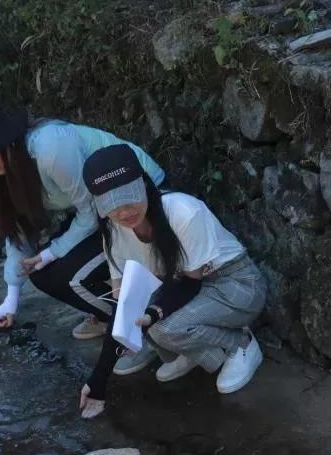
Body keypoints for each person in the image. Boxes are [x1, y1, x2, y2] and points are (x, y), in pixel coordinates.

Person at [0, 91, 166, 374]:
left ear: (3, 139)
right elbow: (16, 229)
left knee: (71, 275)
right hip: (101, 215)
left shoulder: (49, 147)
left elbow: (91, 209)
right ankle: (110, 315)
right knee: (42, 272)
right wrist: (11, 298)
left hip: (141, 203)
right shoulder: (0, 171)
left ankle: (138, 332)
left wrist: (54, 251)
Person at [77, 144, 267, 419]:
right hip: (183, 288)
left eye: (129, 198)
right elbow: (123, 307)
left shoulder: (183, 211)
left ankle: (241, 344)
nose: (124, 212)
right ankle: (195, 348)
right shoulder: (114, 231)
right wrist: (97, 382)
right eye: (112, 205)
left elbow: (192, 283)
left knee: (163, 328)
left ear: (144, 183)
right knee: (146, 320)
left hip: (234, 284)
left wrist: (155, 313)